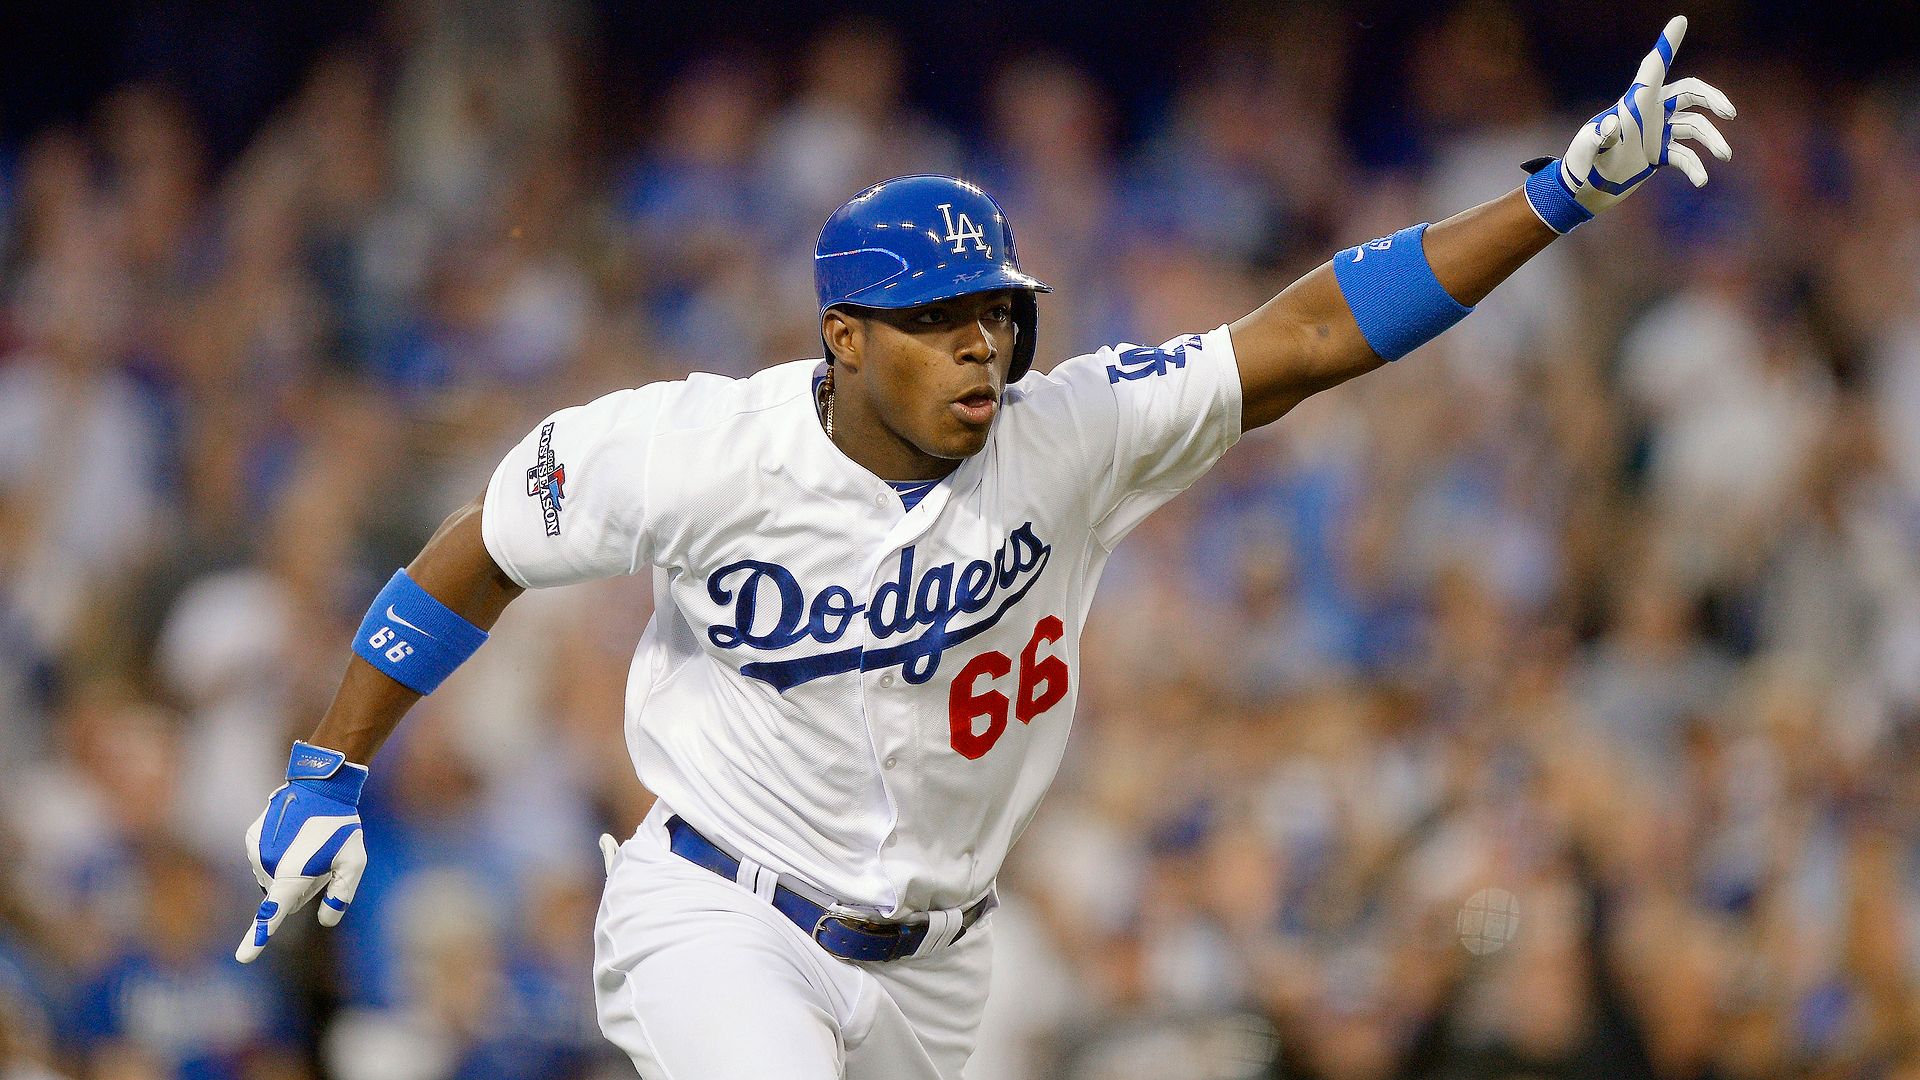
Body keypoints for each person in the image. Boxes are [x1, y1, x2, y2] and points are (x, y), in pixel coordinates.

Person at [236, 18, 1735, 1079]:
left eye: (996, 316)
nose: (982, 348)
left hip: (943, 969)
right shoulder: (692, 448)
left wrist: (1557, 194)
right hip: (717, 908)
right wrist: (328, 768)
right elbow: (478, 547)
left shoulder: (1065, 432)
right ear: (842, 338)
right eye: (940, 322)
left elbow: (1311, 332)